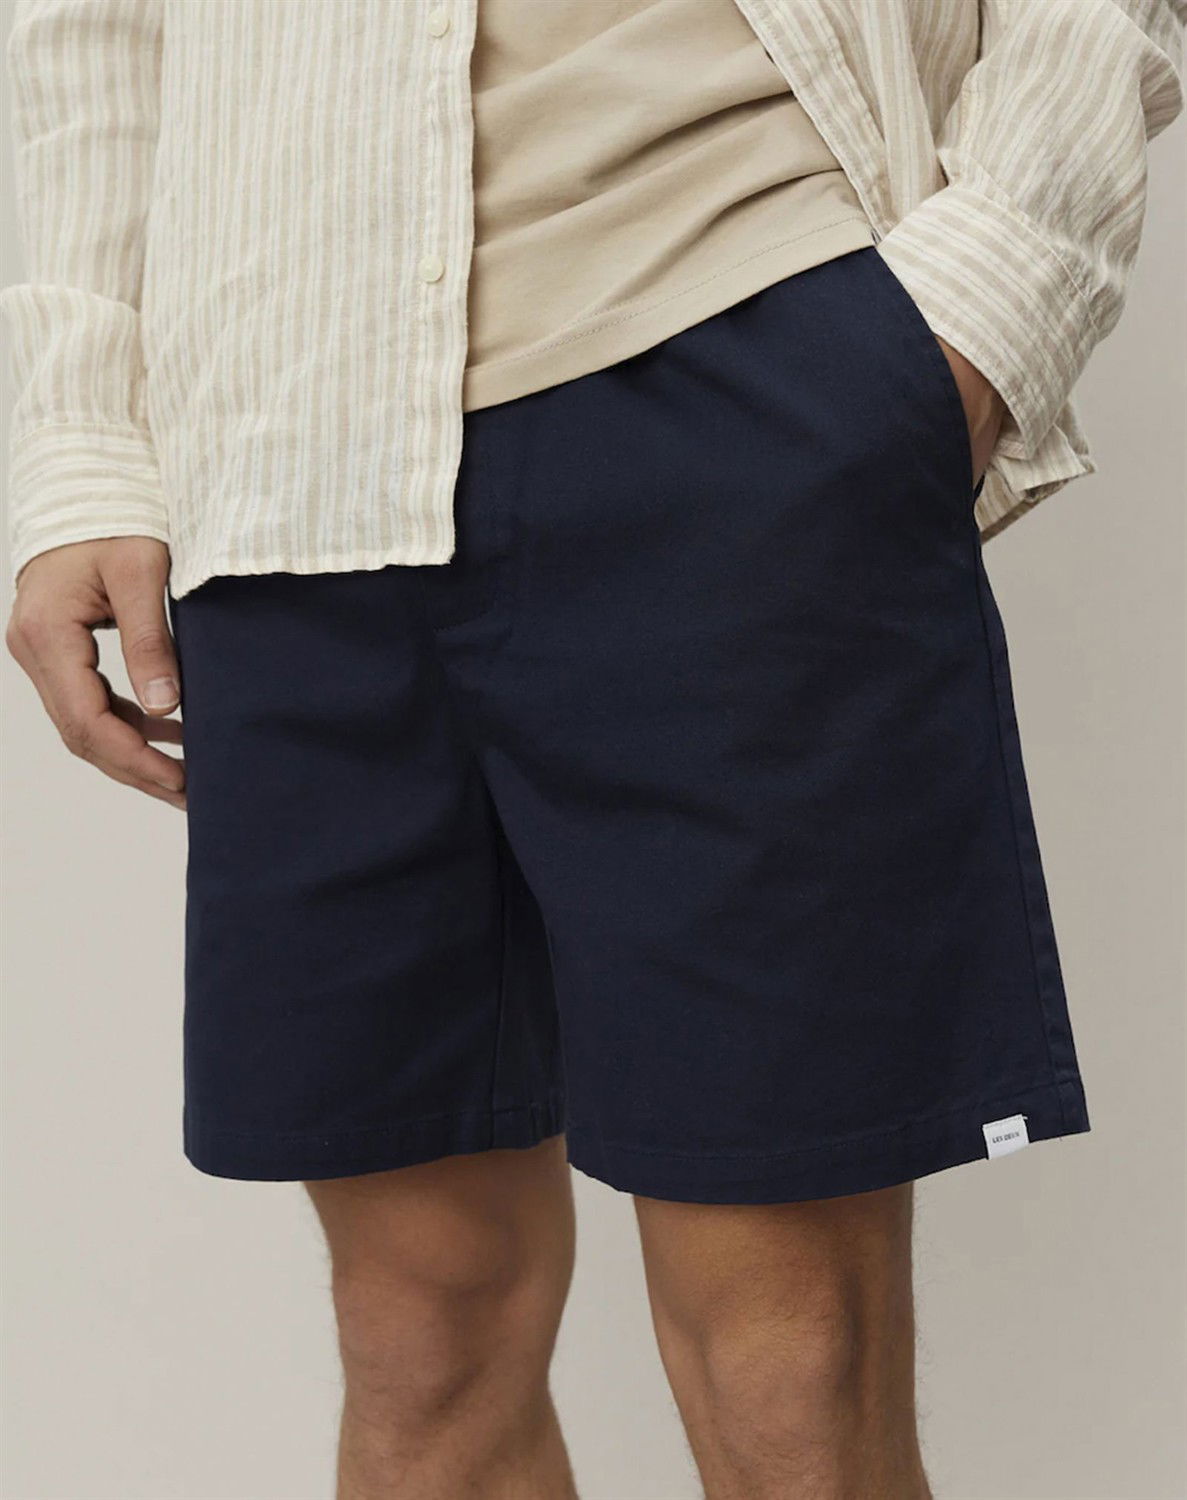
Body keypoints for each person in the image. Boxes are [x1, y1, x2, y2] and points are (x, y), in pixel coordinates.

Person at [2, 1, 1182, 1495]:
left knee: (787, 1368)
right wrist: (82, 439)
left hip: (729, 342)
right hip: (288, 439)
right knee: (418, 1338)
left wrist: (994, 295)